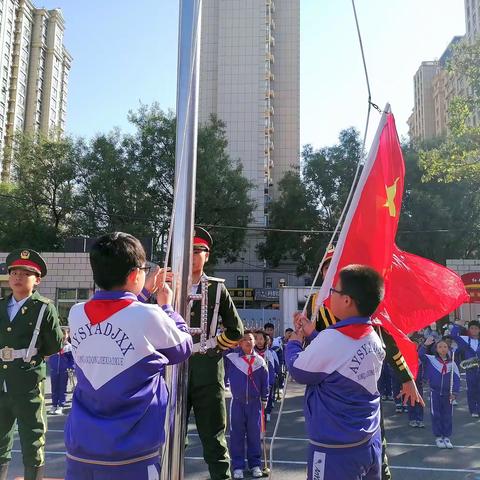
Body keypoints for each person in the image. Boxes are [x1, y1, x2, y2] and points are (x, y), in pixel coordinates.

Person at [64, 232, 192, 480]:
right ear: (135, 275)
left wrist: (143, 295)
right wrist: (167, 306)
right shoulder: (151, 315)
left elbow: (121, 315)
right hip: (132, 453)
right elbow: (181, 347)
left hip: (82, 446)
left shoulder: (76, 313)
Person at [286, 265, 385, 480]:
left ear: (347, 300)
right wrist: (313, 333)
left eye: (334, 291)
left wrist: (294, 343)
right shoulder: (373, 336)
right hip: (368, 440)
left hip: (335, 449)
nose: (330, 295)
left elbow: (298, 370)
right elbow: (340, 357)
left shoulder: (335, 338)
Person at [186, 227, 244, 480]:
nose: (194, 255)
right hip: (173, 368)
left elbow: (236, 330)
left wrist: (213, 348)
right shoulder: (168, 285)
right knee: (168, 436)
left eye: (200, 250)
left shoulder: (217, 289)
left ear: (207, 256)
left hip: (207, 370)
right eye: (190, 250)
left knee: (214, 439)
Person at [0, 249, 63, 480]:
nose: (17, 277)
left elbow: (53, 345)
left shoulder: (44, 308)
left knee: (32, 442)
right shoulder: (1, 306)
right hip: (1, 383)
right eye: (14, 272)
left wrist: (29, 357)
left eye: (25, 273)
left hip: (27, 383)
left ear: (37, 280)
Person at [225, 331, 269, 479]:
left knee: (254, 435)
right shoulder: (231, 358)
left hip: (254, 403)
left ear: (255, 342)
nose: (247, 342)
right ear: (239, 343)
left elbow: (265, 381)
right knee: (236, 435)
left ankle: (255, 464)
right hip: (237, 402)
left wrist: (265, 397)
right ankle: (238, 466)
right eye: (244, 340)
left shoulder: (260, 361)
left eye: (250, 339)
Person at [419, 337, 460, 448]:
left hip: (448, 394)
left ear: (449, 349)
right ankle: (438, 437)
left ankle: (446, 436)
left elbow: (456, 379)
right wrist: (425, 345)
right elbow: (420, 355)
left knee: (447, 415)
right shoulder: (431, 359)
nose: (443, 349)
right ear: (436, 349)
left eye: (445, 347)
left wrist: (455, 392)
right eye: (440, 347)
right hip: (435, 393)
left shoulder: (452, 364)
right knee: (436, 414)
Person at [449, 320, 480, 417]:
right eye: (472, 328)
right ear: (469, 329)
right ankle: (473, 410)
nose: (474, 330)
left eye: (476, 328)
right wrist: (457, 325)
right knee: (471, 390)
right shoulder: (465, 339)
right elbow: (453, 335)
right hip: (470, 370)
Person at [47, 327, 74, 415]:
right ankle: (54, 405)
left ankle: (61, 406)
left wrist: (71, 367)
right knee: (54, 389)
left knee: (62, 389)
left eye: (65, 334)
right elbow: (49, 356)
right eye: (61, 334)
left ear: (67, 335)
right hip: (54, 370)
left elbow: (72, 359)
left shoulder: (69, 347)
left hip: (64, 371)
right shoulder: (53, 346)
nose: (63, 336)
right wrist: (50, 363)